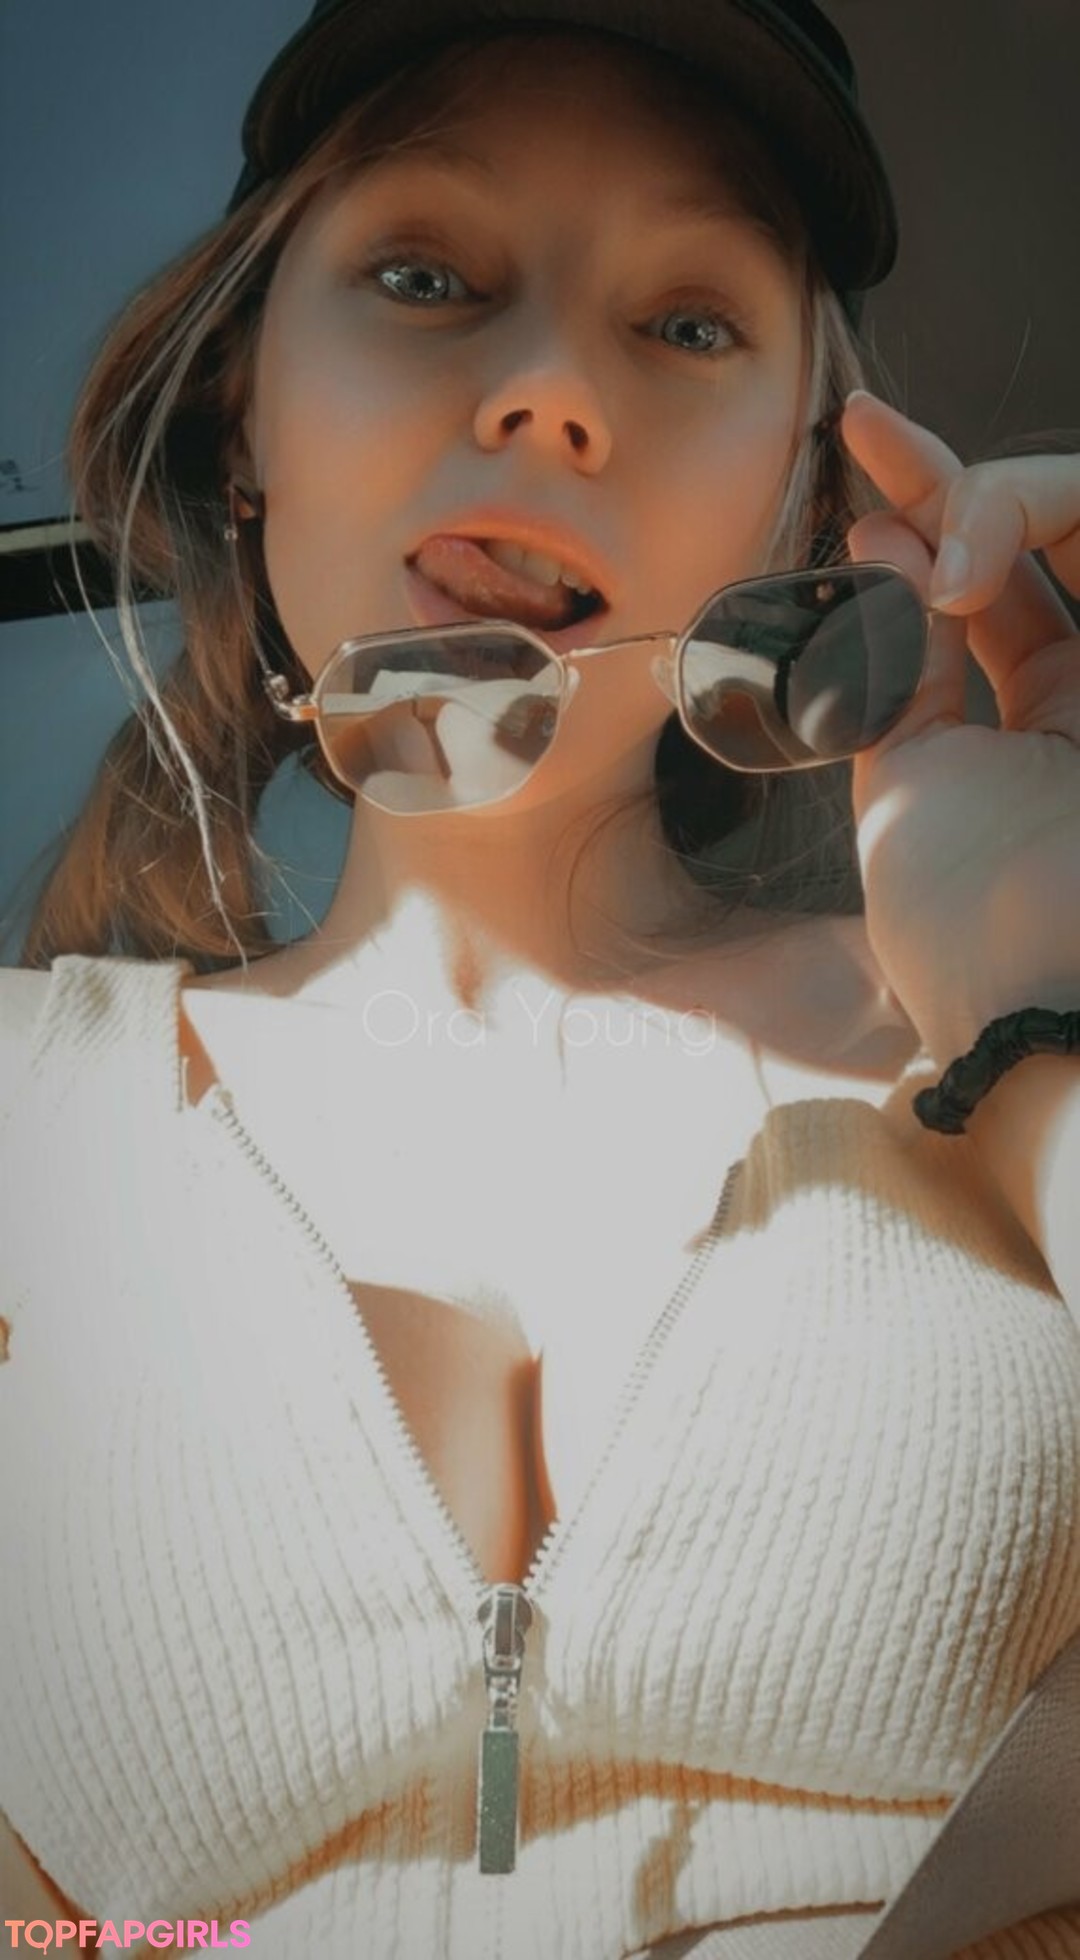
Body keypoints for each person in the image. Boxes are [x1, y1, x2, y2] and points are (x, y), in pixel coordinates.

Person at [2, 1, 1079, 1952]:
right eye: (428, 276)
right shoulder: (25, 1112)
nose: (556, 395)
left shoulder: (1012, 1035)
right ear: (245, 407)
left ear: (800, 505)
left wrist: (1049, 980)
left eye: (689, 323)